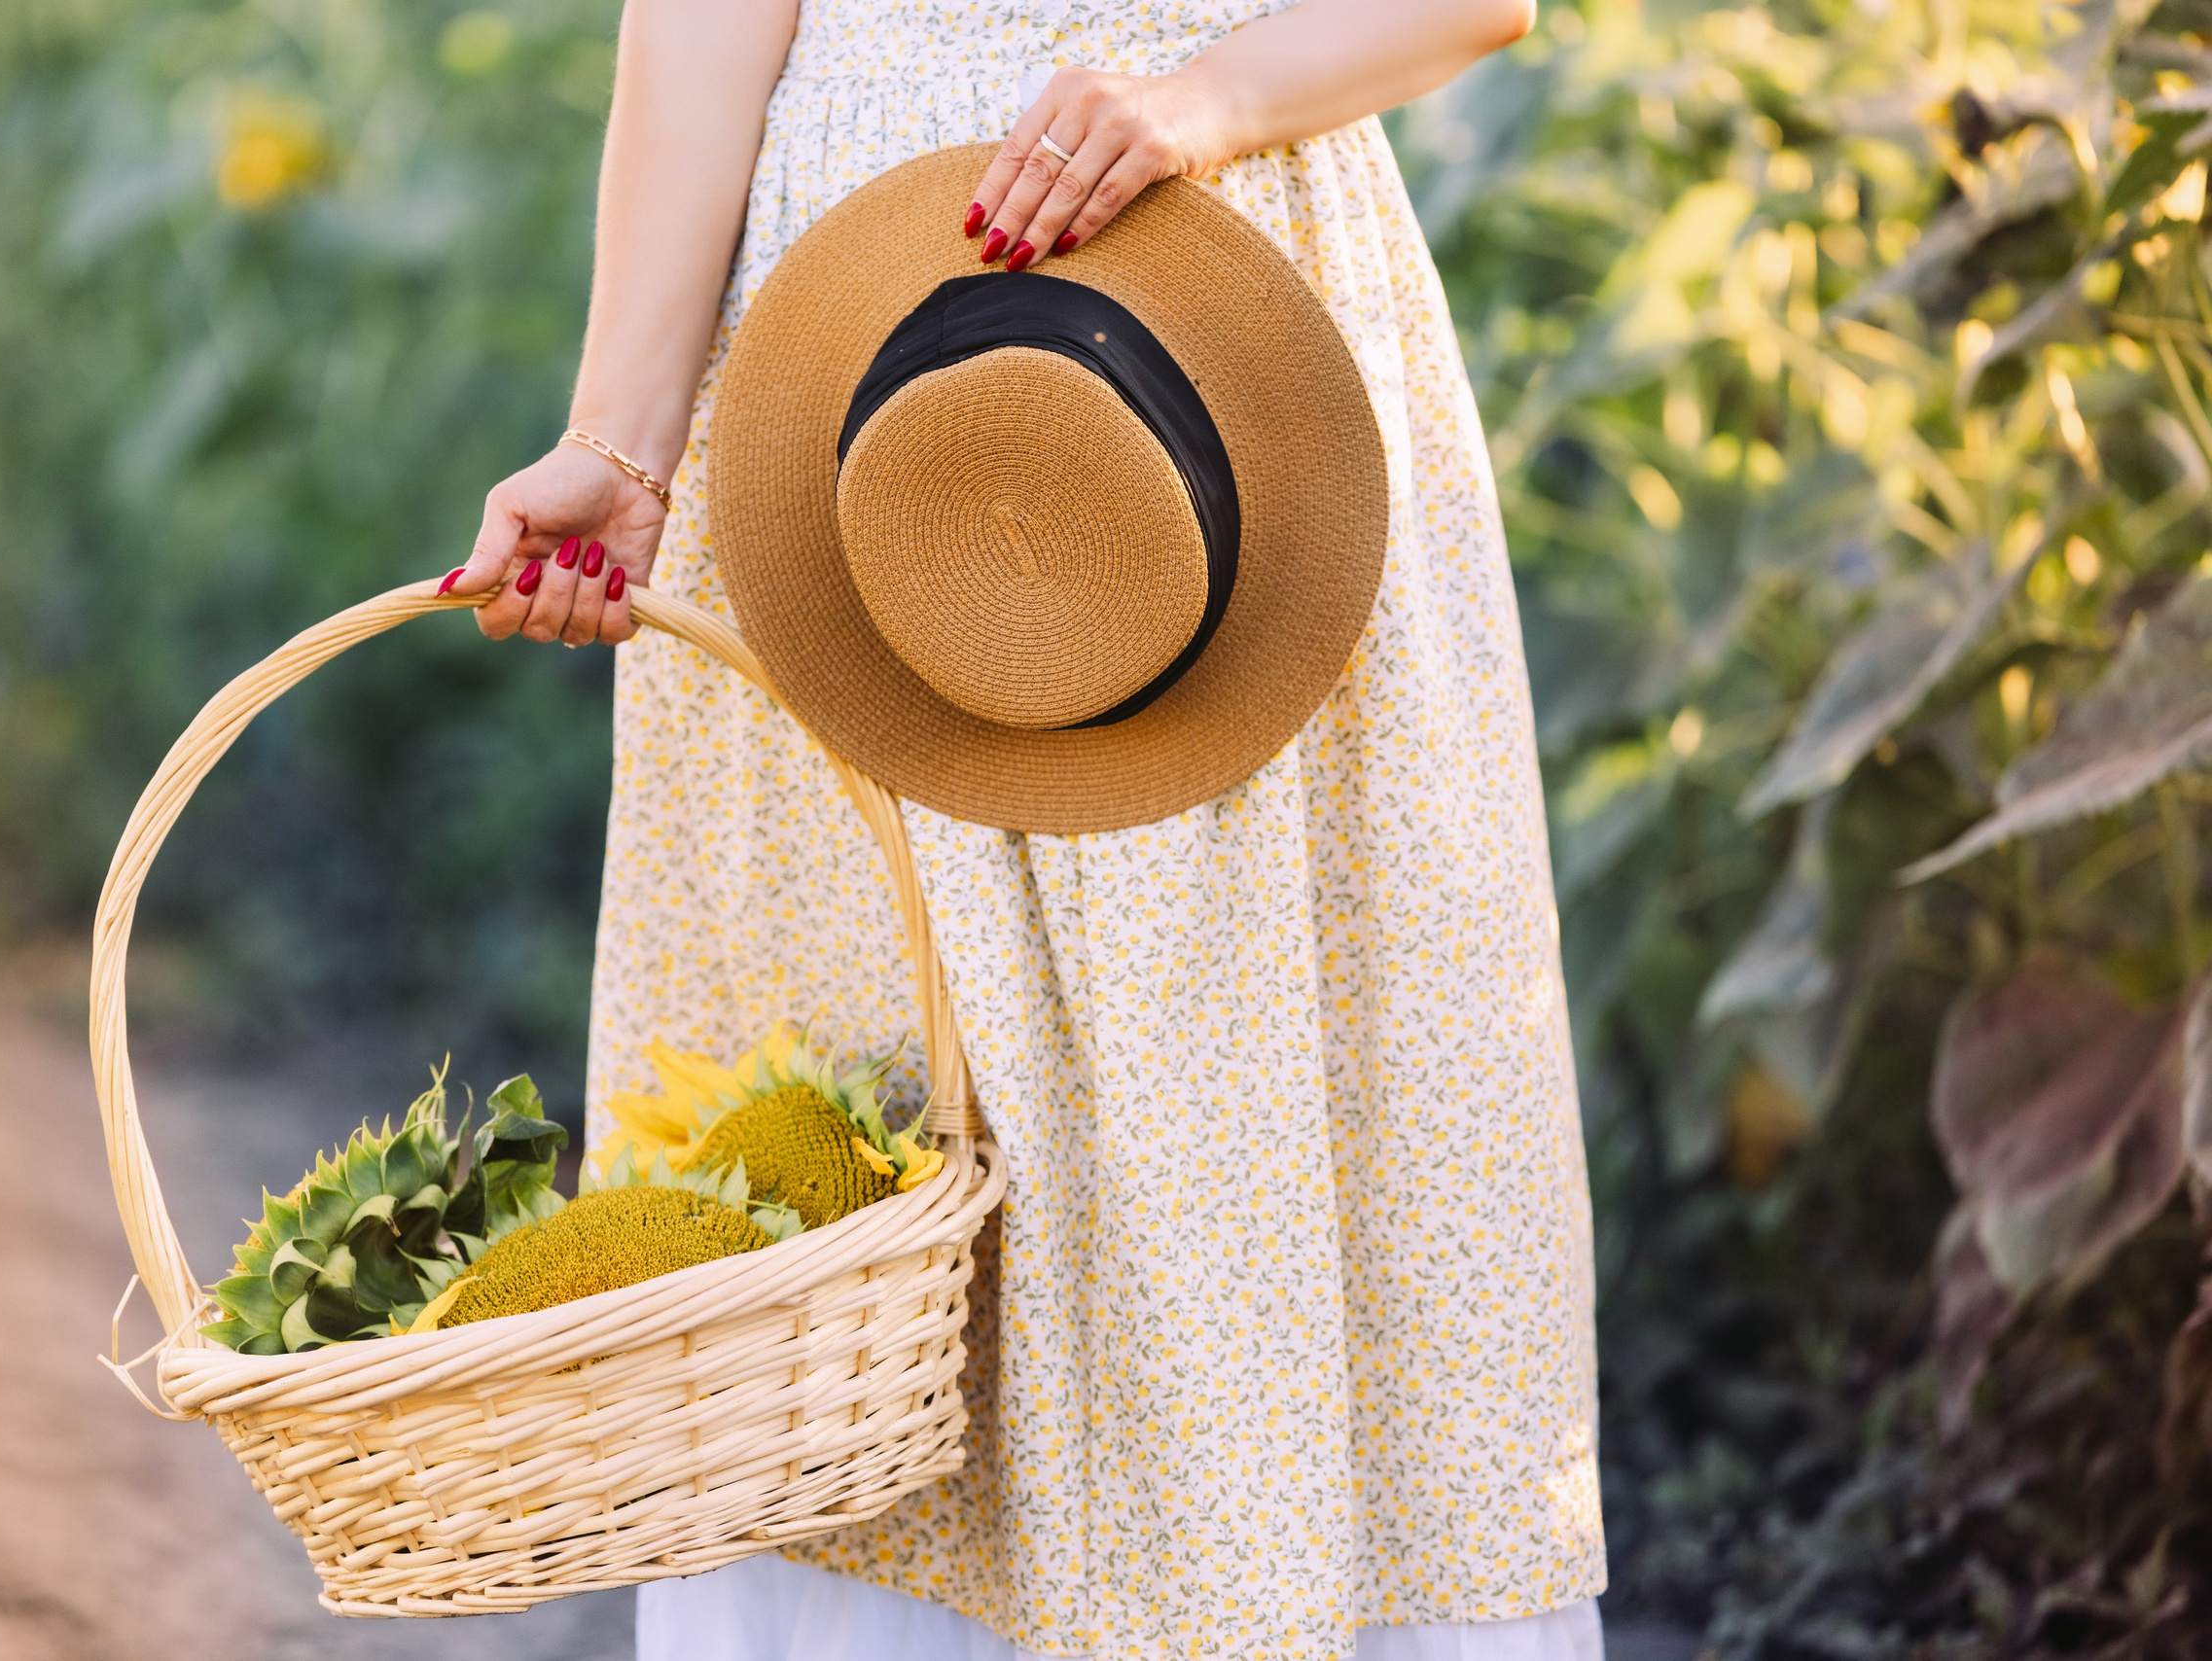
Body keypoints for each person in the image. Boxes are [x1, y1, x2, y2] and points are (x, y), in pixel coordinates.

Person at [443, 2, 1603, 1657]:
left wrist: (1206, 99)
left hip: (1211, 342)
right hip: (844, 399)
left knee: (1228, 1107)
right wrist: (624, 441)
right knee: (880, 1112)